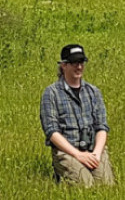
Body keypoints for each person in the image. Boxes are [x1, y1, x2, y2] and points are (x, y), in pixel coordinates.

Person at [39, 43, 115, 187]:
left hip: (93, 149)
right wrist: (77, 154)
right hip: (67, 151)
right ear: (63, 65)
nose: (78, 67)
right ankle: (61, 175)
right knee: (85, 185)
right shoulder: (51, 93)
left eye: (81, 62)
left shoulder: (93, 92)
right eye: (74, 63)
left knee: (106, 186)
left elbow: (102, 127)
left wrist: (96, 154)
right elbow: (51, 131)